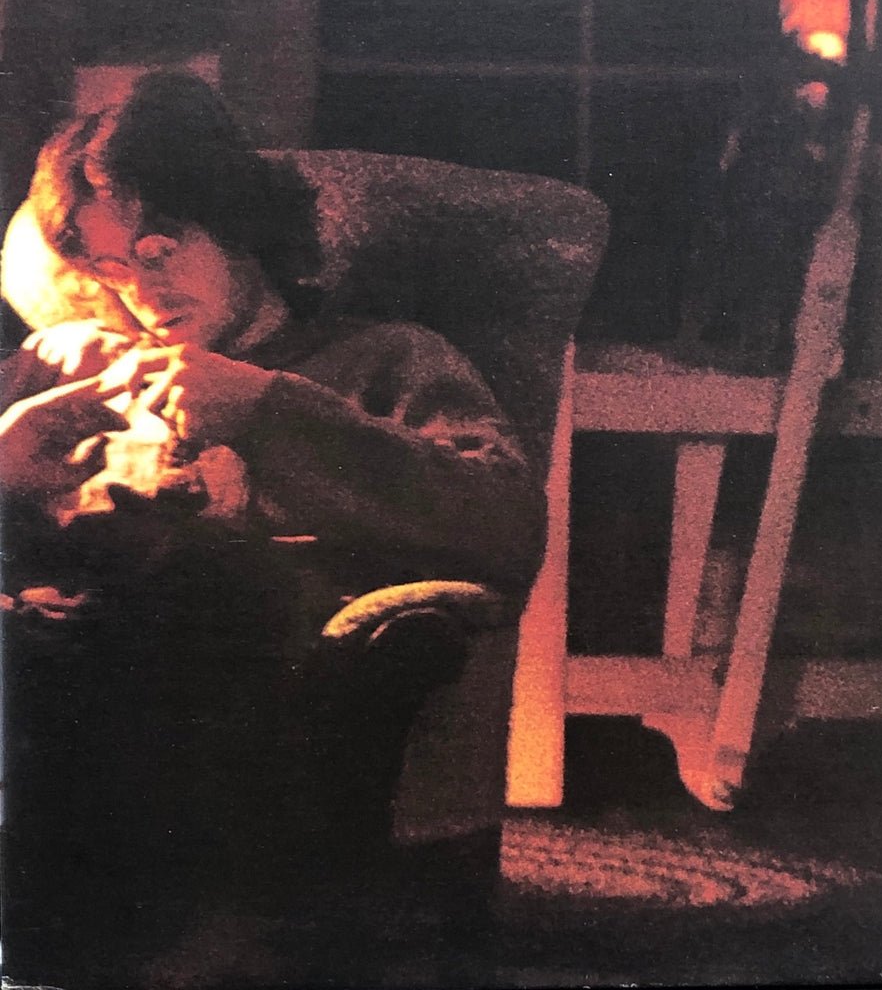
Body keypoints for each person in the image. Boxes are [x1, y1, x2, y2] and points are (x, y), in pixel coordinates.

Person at [0, 73, 547, 985]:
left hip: (237, 705)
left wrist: (267, 408)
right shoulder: (62, 376)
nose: (141, 292)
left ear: (239, 224)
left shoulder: (384, 358)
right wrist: (9, 465)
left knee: (202, 589)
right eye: (110, 269)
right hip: (46, 691)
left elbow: (504, 523)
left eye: (160, 251)